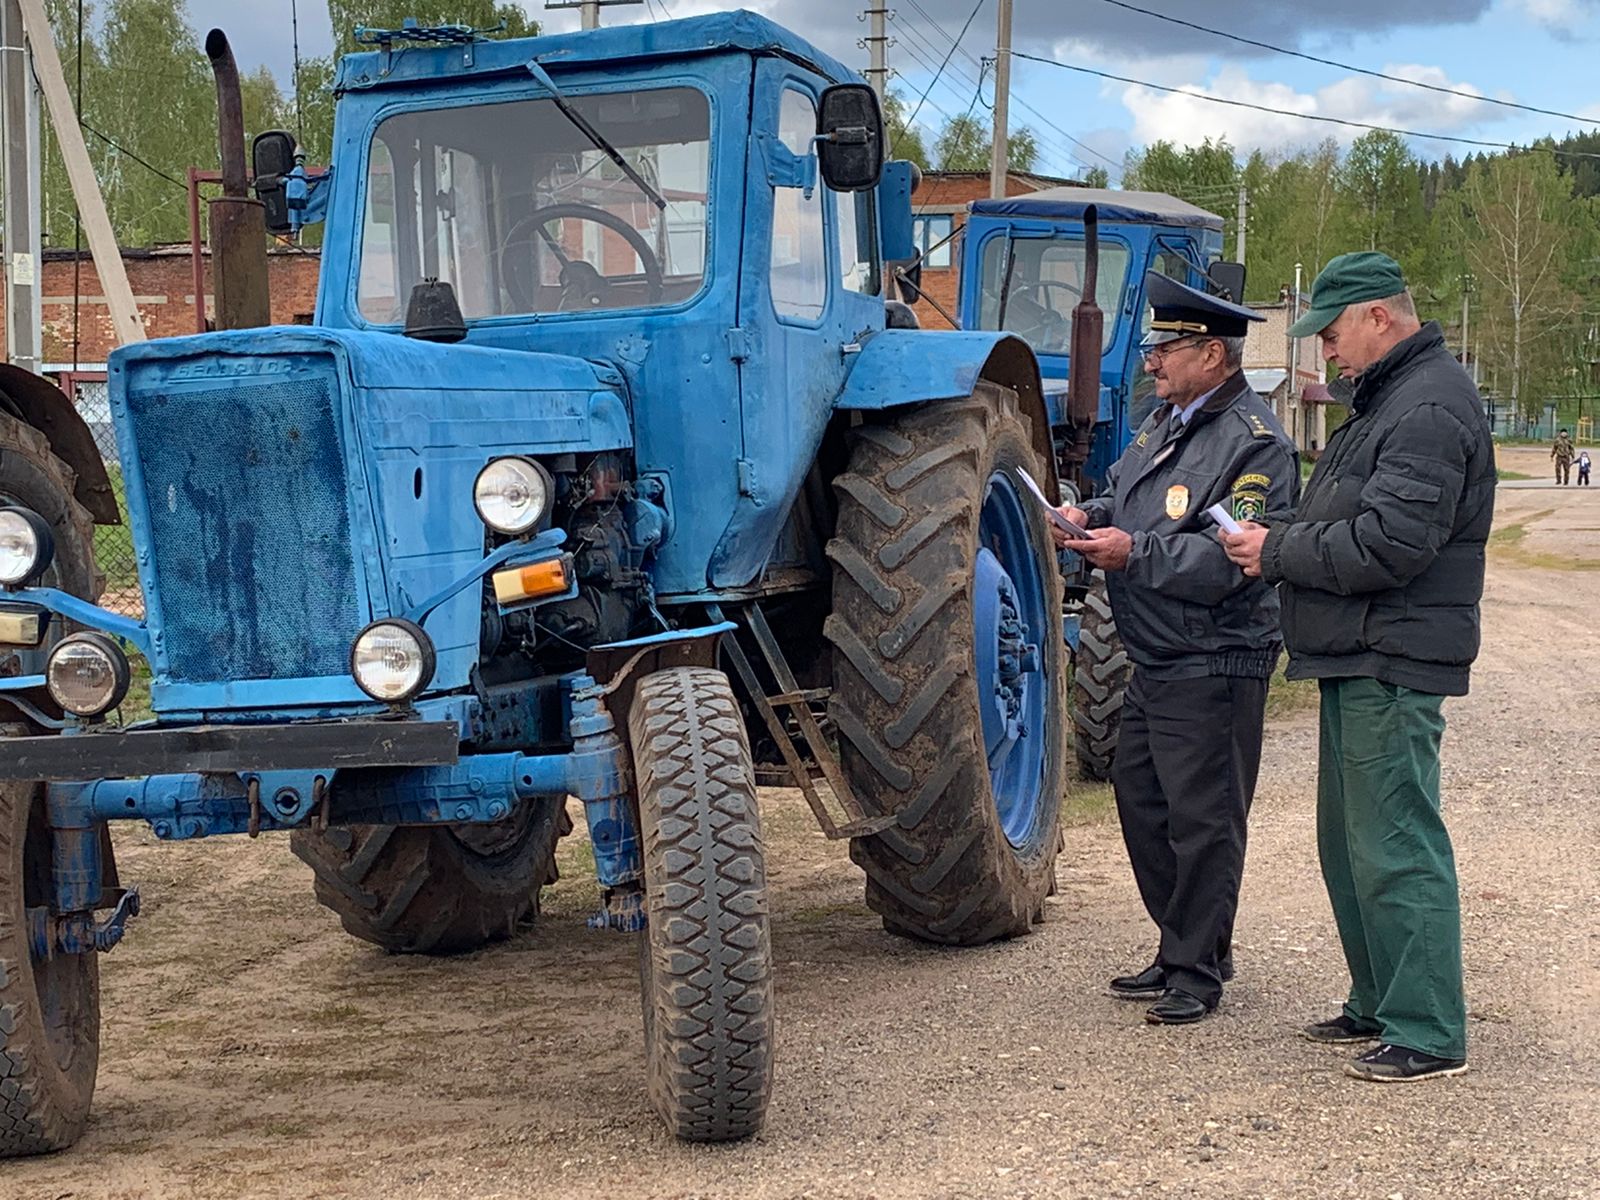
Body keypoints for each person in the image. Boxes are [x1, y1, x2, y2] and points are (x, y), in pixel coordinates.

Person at [1219, 251, 1495, 1082]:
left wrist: (1276, 552)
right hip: (1356, 649)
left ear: (1380, 316)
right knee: (1350, 845)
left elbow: (1391, 544)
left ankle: (1428, 1028)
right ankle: (1378, 1000)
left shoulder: (1429, 406)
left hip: (1394, 652)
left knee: (1396, 842)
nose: (1326, 352)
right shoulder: (1388, 401)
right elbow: (1344, 512)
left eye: (1333, 333)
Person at [1053, 272, 1299, 1026]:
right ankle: (1184, 944)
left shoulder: (1255, 447)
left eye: (1169, 347)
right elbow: (1125, 496)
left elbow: (1235, 561)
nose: (1152, 360)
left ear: (1214, 356)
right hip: (1157, 655)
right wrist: (1082, 515)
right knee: (1143, 801)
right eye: (1156, 346)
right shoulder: (1167, 425)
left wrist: (1135, 555)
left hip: (1216, 656)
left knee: (1204, 818)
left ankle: (1197, 970)